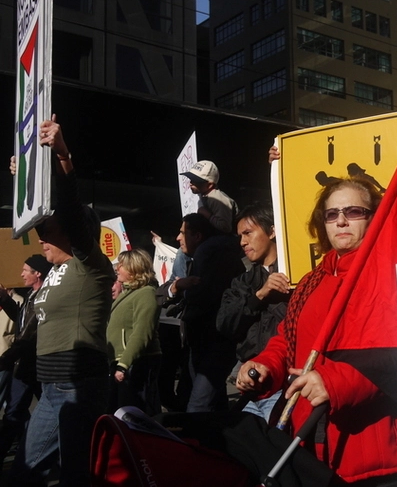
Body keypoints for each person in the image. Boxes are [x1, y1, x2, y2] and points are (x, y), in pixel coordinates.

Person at [236, 178, 397, 485]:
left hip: (372, 450)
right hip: (310, 446)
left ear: (375, 216)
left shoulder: (393, 272)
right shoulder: (311, 280)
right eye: (331, 214)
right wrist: (265, 365)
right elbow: (288, 339)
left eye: (354, 211)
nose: (341, 221)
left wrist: (334, 382)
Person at [8, 116, 115, 485]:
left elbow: (69, 207)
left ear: (74, 233)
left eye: (46, 230)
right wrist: (24, 180)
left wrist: (62, 156)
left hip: (79, 386)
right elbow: (32, 330)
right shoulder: (52, 274)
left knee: (75, 476)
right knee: (24, 470)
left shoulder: (91, 266)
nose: (39, 237)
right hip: (51, 387)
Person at [157, 213, 245, 412]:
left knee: (198, 406)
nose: (178, 238)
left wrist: (183, 294)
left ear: (197, 236)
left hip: (211, 343)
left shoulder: (206, 253)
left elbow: (201, 297)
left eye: (182, 233)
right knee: (213, 402)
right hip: (208, 343)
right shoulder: (208, 256)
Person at [216, 203, 290, 422]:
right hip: (248, 384)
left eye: (248, 233)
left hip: (284, 383)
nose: (243, 242)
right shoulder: (242, 282)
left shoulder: (296, 276)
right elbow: (224, 324)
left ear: (272, 230)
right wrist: (258, 296)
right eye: (240, 236)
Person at [0, 255, 51, 465]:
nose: (21, 274)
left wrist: (4, 359)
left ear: (37, 273)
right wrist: (3, 298)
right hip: (27, 366)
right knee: (14, 413)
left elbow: (27, 336)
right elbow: (22, 321)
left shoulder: (43, 298)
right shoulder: (31, 295)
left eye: (25, 270)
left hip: (36, 366)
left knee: (47, 413)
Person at [107, 249, 162, 415]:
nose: (117, 268)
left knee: (138, 412)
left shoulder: (146, 293)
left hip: (137, 361)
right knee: (123, 412)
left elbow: (142, 332)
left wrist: (123, 365)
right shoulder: (129, 293)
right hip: (123, 361)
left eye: (121, 265)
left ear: (134, 268)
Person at [180, 159, 239, 235]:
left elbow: (226, 227)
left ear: (209, 185)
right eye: (191, 179)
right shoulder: (203, 194)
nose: (191, 183)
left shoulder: (218, 199)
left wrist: (207, 214)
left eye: (196, 181)